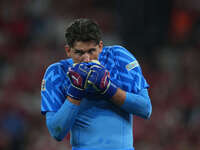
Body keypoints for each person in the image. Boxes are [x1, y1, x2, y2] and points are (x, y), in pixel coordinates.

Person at [40, 18, 152, 150]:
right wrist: (76, 92)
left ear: (100, 47)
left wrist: (108, 89)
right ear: (68, 50)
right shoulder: (57, 73)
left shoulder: (118, 58)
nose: (86, 59)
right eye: (79, 52)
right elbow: (57, 132)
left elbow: (145, 109)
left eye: (91, 51)